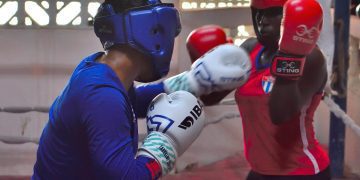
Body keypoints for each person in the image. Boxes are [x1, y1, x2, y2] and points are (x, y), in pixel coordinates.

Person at [32, 0, 251, 179]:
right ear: (152, 31)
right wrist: (164, 146)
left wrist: (192, 82)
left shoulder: (100, 69)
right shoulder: (102, 95)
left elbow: (130, 103)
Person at [188, 0, 331, 179]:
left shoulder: (311, 59)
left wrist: (289, 55)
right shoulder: (250, 49)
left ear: (293, 18)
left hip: (302, 171)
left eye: (272, 13)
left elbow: (281, 114)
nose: (261, 20)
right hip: (260, 170)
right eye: (257, 12)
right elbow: (210, 98)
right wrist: (204, 69)